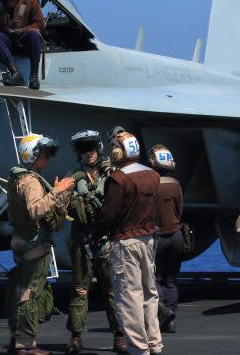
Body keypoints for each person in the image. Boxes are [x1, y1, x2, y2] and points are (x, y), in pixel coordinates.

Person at [94, 127, 163, 355]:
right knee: (149, 293)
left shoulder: (118, 179)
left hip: (125, 243)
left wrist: (96, 230)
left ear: (118, 153)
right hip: (148, 240)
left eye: (114, 148)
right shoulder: (153, 175)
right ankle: (154, 344)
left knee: (128, 296)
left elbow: (109, 214)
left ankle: (138, 349)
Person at [5, 133, 75, 355]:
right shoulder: (32, 182)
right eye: (44, 154)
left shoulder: (17, 177)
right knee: (30, 293)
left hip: (21, 239)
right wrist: (57, 191)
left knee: (21, 290)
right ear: (34, 155)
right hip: (34, 243)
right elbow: (36, 211)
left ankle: (18, 338)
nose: (47, 158)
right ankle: (25, 344)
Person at [64, 131, 127, 354]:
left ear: (97, 148)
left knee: (112, 290)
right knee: (80, 290)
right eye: (83, 149)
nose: (88, 153)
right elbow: (62, 207)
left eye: (91, 148)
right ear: (77, 154)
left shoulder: (111, 174)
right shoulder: (72, 178)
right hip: (83, 239)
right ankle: (76, 336)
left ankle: (119, 335)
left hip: (106, 240)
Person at [0, 0, 45, 89]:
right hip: (9, 43)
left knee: (34, 35)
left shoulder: (31, 1)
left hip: (26, 42)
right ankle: (15, 72)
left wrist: (22, 30)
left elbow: (40, 24)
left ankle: (34, 76)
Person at [148, 144, 183, 334]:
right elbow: (180, 210)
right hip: (176, 236)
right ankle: (172, 315)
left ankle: (163, 313)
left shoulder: (151, 185)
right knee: (170, 279)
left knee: (155, 278)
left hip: (158, 237)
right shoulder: (176, 185)